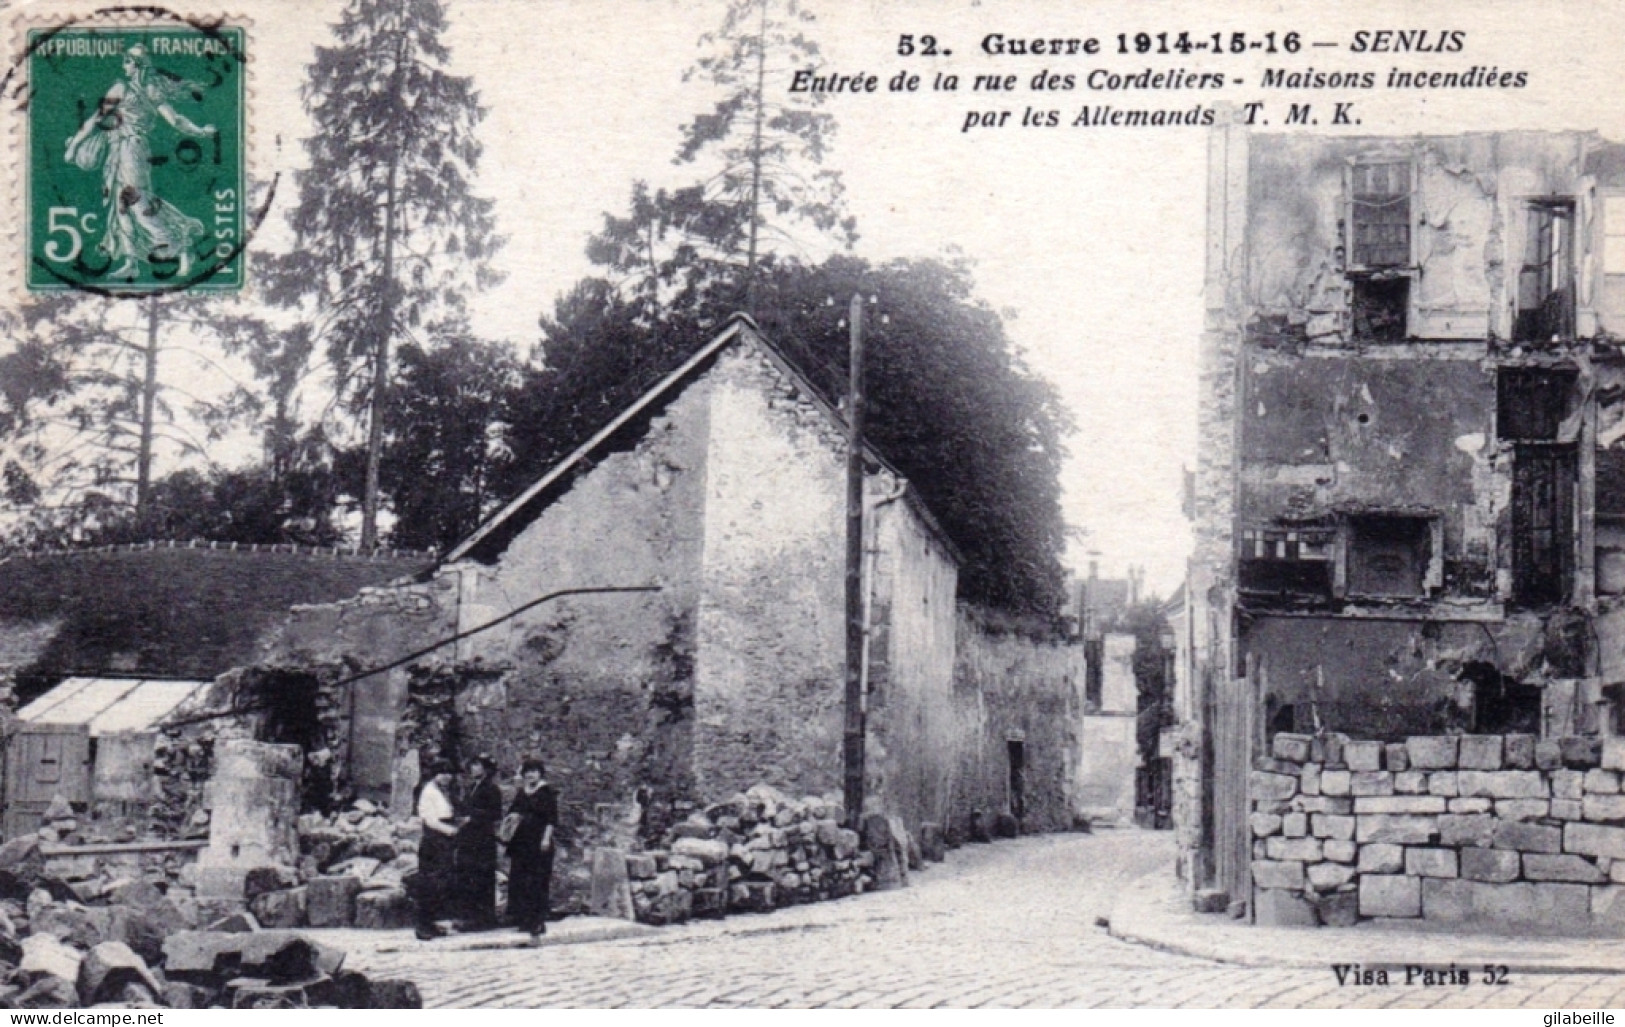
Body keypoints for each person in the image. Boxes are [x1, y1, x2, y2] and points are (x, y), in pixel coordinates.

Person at [64, 45, 216, 280]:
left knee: (136, 200)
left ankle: (182, 247)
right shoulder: (125, 88)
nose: (123, 65)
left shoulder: (146, 89)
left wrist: (200, 132)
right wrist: (74, 145)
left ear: (137, 65)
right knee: (120, 206)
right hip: (116, 151)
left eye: (127, 61)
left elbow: (175, 119)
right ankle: (130, 261)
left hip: (133, 149)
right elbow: (96, 119)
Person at [504, 758, 558, 944]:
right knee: (520, 879)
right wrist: (513, 817)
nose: (530, 775)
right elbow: (512, 811)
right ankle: (524, 919)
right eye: (527, 771)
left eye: (534, 771)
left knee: (538, 880)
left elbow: (552, 819)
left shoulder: (546, 792)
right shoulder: (522, 792)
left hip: (539, 840)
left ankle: (538, 921)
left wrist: (546, 838)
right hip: (521, 842)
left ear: (540, 773)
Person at [413, 759, 462, 941]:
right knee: (429, 883)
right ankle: (422, 925)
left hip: (444, 842)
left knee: (441, 883)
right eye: (443, 773)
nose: (447, 777)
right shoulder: (429, 792)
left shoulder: (444, 792)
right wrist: (450, 830)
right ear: (435, 774)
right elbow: (430, 820)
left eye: (450, 773)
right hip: (434, 841)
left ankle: (432, 923)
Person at [453, 755, 502, 929]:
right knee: (468, 876)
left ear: (486, 769)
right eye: (473, 765)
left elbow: (495, 814)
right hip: (469, 839)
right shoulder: (472, 787)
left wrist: (472, 817)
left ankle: (483, 918)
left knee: (482, 877)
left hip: (483, 839)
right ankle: (469, 916)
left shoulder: (491, 789)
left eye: (478, 766)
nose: (474, 769)